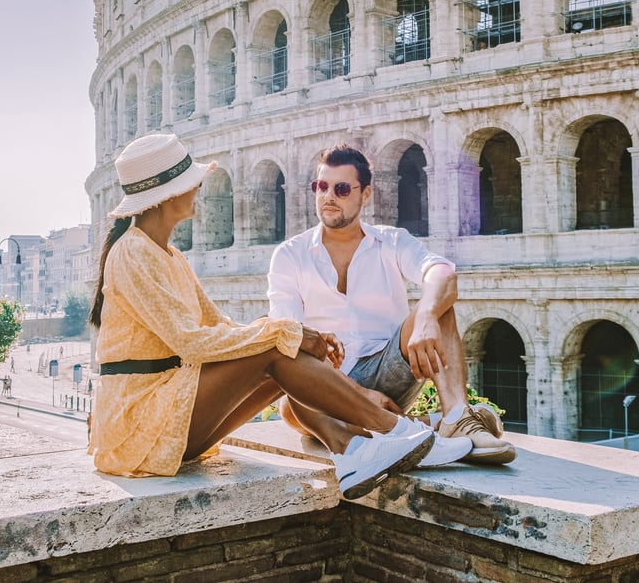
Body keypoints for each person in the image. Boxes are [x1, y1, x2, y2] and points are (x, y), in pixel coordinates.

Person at [88, 131, 438, 499]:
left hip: (165, 421)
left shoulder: (169, 256)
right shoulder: (133, 253)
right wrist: (285, 333)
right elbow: (189, 342)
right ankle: (394, 432)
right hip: (140, 423)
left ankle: (351, 452)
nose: (198, 190)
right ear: (167, 195)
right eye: (190, 183)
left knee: (283, 349)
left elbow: (219, 326)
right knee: (278, 346)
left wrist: (291, 336)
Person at [267, 144, 516, 465]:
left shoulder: (392, 241)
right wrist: (359, 396)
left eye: (342, 189)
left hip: (391, 370)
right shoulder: (290, 255)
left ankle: (456, 417)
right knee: (291, 404)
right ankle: (423, 428)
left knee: (438, 304)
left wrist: (426, 315)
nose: (328, 196)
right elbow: (288, 334)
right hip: (325, 384)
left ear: (365, 194)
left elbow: (443, 272)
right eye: (321, 186)